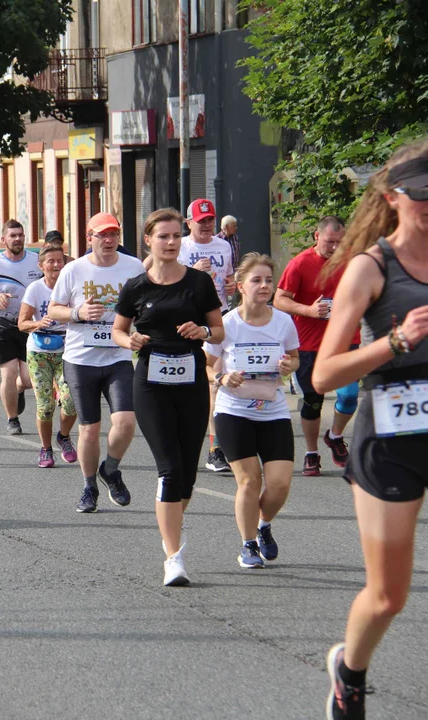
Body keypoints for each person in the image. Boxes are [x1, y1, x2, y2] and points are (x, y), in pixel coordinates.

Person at [312, 139, 428, 720]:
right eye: (422, 193)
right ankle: (350, 673)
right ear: (393, 197)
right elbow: (324, 374)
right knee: (389, 596)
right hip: (390, 434)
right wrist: (397, 340)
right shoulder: (370, 266)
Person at [113, 208, 224, 587]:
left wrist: (203, 331)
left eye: (177, 235)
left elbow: (220, 330)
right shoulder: (136, 286)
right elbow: (117, 330)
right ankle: (173, 557)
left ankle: (172, 521)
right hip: (150, 382)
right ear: (149, 240)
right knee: (170, 469)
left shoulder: (199, 282)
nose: (171, 242)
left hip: (191, 378)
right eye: (163, 236)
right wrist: (131, 341)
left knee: (188, 476)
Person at [204, 253, 299, 569]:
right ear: (240, 286)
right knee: (250, 481)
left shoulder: (283, 321)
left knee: (280, 484)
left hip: (273, 410)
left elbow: (295, 358)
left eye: (269, 280)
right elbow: (204, 366)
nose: (264, 286)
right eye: (257, 280)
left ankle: (263, 524)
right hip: (234, 411)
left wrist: (289, 364)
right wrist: (221, 376)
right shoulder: (227, 324)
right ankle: (247, 545)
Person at [48, 212, 142, 513]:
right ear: (90, 237)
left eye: (114, 234)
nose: (109, 240)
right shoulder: (74, 270)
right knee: (89, 428)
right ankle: (89, 487)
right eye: (102, 234)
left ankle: (110, 470)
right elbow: (54, 308)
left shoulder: (134, 267)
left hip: (118, 356)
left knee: (126, 422)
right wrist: (77, 314)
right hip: (80, 359)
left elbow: (145, 305)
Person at [275, 215, 361, 477]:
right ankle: (311, 453)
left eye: (340, 242)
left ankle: (335, 436)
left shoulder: (352, 262)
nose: (335, 247)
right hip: (310, 343)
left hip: (346, 339)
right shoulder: (300, 263)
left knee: (349, 395)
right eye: (330, 242)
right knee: (313, 401)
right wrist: (309, 310)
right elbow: (280, 300)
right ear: (316, 236)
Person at [172, 199, 236, 474]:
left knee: (215, 384)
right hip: (186, 321)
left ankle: (215, 449)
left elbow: (229, 279)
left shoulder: (224, 246)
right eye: (201, 221)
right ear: (189, 224)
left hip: (217, 321)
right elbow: (168, 285)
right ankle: (177, 441)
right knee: (186, 386)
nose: (207, 225)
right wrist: (192, 276)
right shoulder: (181, 247)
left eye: (211, 219)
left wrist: (232, 286)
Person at [0, 220, 44, 435]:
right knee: (9, 373)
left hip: (29, 326)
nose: (18, 239)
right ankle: (12, 419)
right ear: (3, 240)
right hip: (3, 325)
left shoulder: (35, 261)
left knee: (29, 380)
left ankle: (19, 389)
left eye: (21, 235)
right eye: (13, 235)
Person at [18, 245, 78, 467]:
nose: (55, 265)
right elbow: (21, 323)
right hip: (39, 354)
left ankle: (63, 436)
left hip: (67, 352)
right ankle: (45, 449)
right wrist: (37, 323)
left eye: (59, 261)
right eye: (50, 261)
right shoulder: (35, 289)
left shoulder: (72, 286)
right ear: (41, 266)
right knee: (45, 407)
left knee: (72, 402)